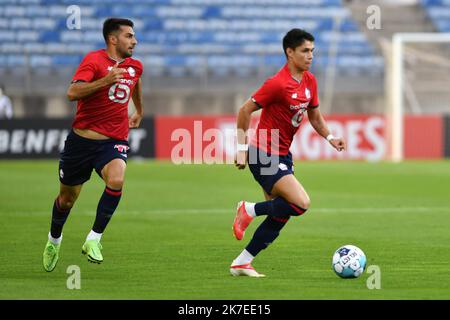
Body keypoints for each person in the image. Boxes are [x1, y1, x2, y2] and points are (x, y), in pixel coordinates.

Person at [231, 29, 346, 277]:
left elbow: (315, 116)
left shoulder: (310, 81)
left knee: (281, 213)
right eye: (305, 51)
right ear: (289, 52)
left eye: (312, 51)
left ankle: (242, 262)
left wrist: (330, 137)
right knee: (301, 203)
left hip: (283, 155)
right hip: (263, 152)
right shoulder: (276, 84)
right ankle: (248, 210)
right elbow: (244, 110)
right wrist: (241, 148)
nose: (310, 56)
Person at [42, 18, 144, 272]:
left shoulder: (135, 66)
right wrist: (105, 81)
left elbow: (135, 82)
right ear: (113, 39)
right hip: (81, 142)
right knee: (67, 200)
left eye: (134, 36)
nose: (135, 41)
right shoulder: (94, 61)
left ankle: (93, 239)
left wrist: (139, 110)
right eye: (129, 36)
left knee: (117, 179)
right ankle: (54, 240)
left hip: (114, 141)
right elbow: (72, 93)